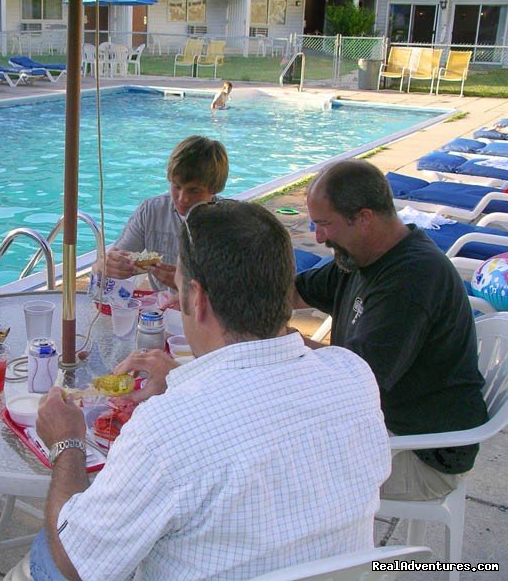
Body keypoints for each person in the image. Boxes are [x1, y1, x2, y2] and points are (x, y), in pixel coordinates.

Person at [31, 200, 391, 580]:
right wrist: (177, 387)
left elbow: (74, 561)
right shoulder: (352, 374)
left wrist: (66, 442)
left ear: (197, 298)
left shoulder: (166, 430)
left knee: (48, 547)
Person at [292, 159, 489, 500]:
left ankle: (338, 551)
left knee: (282, 474)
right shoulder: (361, 256)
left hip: (424, 454)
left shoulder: (411, 280)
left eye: (324, 224)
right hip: (386, 423)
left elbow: (355, 382)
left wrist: (286, 343)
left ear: (364, 218)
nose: (318, 237)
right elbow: (292, 291)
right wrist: (213, 293)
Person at [92, 135, 229, 292]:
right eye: (176, 187)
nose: (182, 199)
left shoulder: (230, 224)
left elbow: (236, 294)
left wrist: (184, 285)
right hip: (160, 311)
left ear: (215, 188)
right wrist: (104, 266)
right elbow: (109, 261)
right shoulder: (151, 211)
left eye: (194, 190)